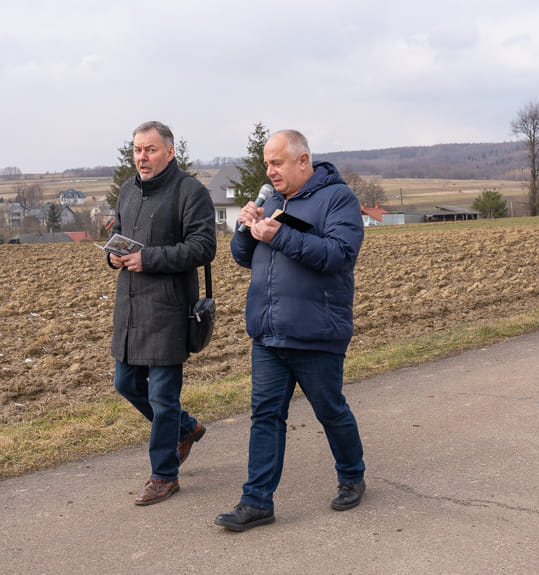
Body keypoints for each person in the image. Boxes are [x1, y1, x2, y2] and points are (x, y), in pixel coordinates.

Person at [216, 129, 365, 531]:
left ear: (303, 161)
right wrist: (246, 228)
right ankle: (257, 502)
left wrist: (280, 234)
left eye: (276, 162)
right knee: (265, 416)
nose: (269, 171)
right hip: (268, 332)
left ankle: (352, 475)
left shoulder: (338, 199)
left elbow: (339, 255)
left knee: (330, 411)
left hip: (316, 332)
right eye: (267, 163)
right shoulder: (272, 200)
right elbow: (243, 258)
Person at [109, 121, 216, 505]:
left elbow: (204, 247)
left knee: (163, 397)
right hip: (131, 308)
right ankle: (186, 429)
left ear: (169, 152)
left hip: (170, 309)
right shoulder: (127, 189)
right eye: (137, 150)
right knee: (125, 383)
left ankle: (164, 475)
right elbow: (119, 233)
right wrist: (113, 255)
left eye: (151, 150)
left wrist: (148, 258)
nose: (142, 157)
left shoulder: (190, 192)